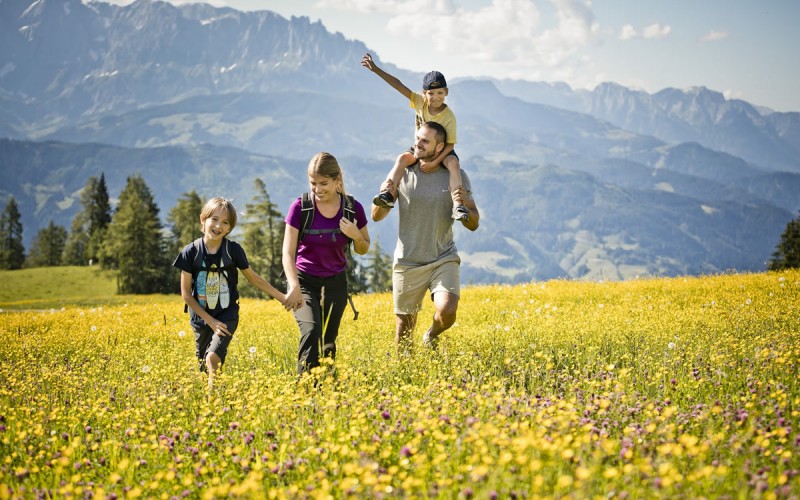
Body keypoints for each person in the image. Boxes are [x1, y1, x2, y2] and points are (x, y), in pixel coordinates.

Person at [371, 121, 479, 352]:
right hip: (408, 261)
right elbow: (377, 216)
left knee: (448, 311)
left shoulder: (456, 175)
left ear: (439, 147)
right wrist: (386, 193)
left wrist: (464, 210)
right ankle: (405, 377)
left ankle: (431, 335)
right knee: (404, 332)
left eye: (425, 141)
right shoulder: (404, 172)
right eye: (417, 138)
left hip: (443, 257)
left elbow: (474, 223)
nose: (417, 144)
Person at [173, 197, 287, 387]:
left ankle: (213, 400)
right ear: (203, 220)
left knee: (212, 358)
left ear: (229, 229)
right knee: (204, 365)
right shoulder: (190, 252)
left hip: (227, 314)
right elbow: (186, 294)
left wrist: (282, 297)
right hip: (201, 318)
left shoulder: (233, 250)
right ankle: (219, 397)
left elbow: (253, 278)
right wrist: (209, 321)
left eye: (225, 222)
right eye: (214, 219)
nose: (219, 225)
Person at [282, 152, 371, 377]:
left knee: (328, 343)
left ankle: (326, 395)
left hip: (336, 284)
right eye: (313, 183)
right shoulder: (300, 208)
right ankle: (304, 391)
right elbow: (288, 252)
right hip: (304, 282)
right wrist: (293, 285)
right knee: (311, 332)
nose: (317, 189)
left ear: (337, 181)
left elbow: (363, 248)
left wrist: (355, 235)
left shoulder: (353, 208)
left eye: (323, 183)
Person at [361, 53, 468, 221]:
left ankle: (457, 204)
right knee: (402, 159)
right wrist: (376, 70)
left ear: (446, 92)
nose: (435, 98)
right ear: (424, 93)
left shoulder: (449, 117)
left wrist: (434, 162)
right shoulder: (420, 102)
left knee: (454, 163)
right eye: (431, 93)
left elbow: (450, 146)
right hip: (420, 148)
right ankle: (387, 193)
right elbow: (398, 85)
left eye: (440, 93)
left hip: (442, 151)